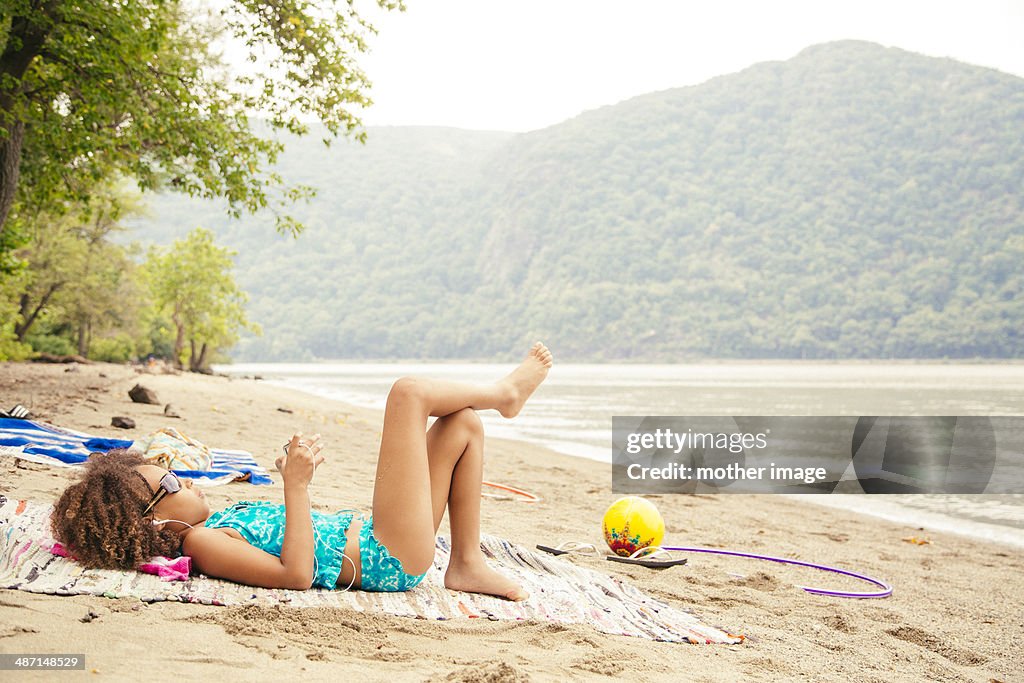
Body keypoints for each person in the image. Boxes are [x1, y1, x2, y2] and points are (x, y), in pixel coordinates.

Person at [51, 343, 553, 601]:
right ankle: (505, 396)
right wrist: (296, 486)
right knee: (408, 394)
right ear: (157, 521)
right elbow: (294, 575)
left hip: (385, 540)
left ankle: (465, 563)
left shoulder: (208, 528)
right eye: (169, 483)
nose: (180, 478)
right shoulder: (200, 544)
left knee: (461, 424)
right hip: (386, 556)